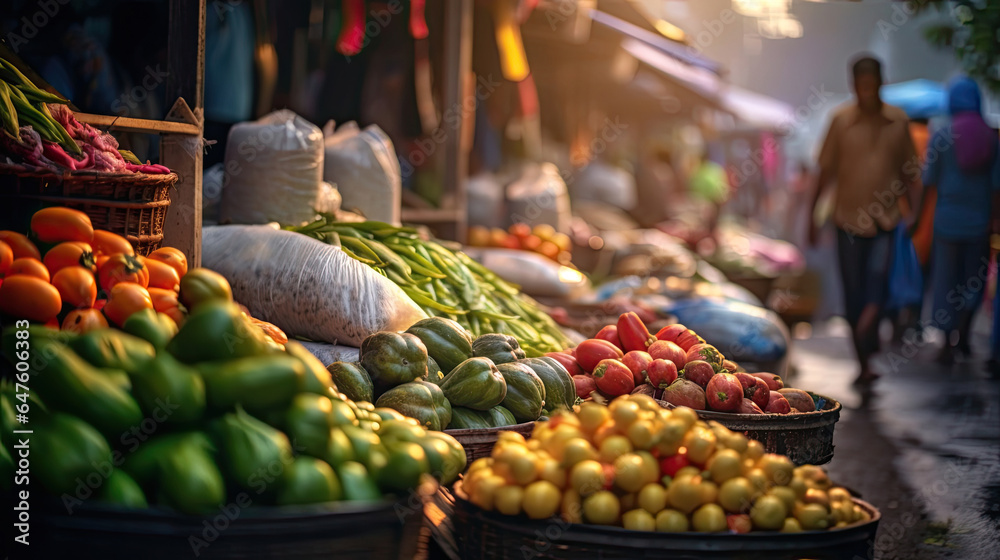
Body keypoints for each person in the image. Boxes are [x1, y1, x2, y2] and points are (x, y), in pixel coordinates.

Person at [808, 55, 921, 384]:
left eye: (872, 84)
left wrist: (913, 212)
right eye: (861, 85)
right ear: (853, 85)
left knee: (878, 285)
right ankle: (863, 361)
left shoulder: (897, 122)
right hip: (846, 223)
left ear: (881, 83)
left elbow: (911, 173)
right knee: (853, 292)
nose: (866, 91)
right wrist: (811, 219)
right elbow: (824, 173)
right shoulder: (840, 121)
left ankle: (867, 329)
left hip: (885, 222)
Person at [913, 76, 1000, 364]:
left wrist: (917, 217)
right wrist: (994, 220)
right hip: (979, 223)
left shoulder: (943, 134)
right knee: (972, 281)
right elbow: (997, 186)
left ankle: (948, 338)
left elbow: (929, 182)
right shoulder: (990, 135)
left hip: (947, 222)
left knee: (946, 280)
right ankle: (963, 332)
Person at [688, 150, 731, 240]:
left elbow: (693, 186)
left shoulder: (697, 171)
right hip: (716, 199)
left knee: (706, 223)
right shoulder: (716, 169)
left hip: (706, 201)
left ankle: (708, 238)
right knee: (714, 222)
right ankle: (712, 238)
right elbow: (724, 182)